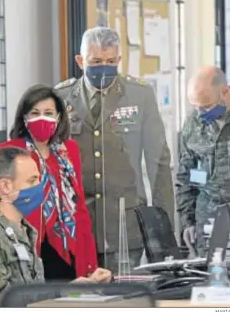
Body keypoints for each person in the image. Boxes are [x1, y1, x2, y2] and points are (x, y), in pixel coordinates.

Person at [54, 26, 174, 271]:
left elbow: (158, 160)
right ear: (80, 61)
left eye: (110, 61)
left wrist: (163, 222)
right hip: (77, 222)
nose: (103, 67)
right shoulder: (61, 97)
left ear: (119, 59)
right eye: (96, 61)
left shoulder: (139, 95)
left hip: (124, 223)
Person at [0, 147, 112, 307]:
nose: (40, 186)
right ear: (6, 186)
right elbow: (4, 302)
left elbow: (36, 295)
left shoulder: (26, 230)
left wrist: (80, 287)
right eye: (32, 181)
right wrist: (63, 291)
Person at [0, 84, 99, 281]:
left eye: (48, 113)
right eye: (35, 113)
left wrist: (90, 264)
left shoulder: (68, 150)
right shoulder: (8, 151)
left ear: (59, 117)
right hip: (26, 250)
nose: (42, 118)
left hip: (68, 248)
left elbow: (79, 206)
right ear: (25, 117)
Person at [176, 66, 230, 256]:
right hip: (207, 226)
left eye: (206, 106)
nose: (200, 113)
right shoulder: (193, 122)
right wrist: (188, 223)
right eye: (195, 107)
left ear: (225, 93)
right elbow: (186, 176)